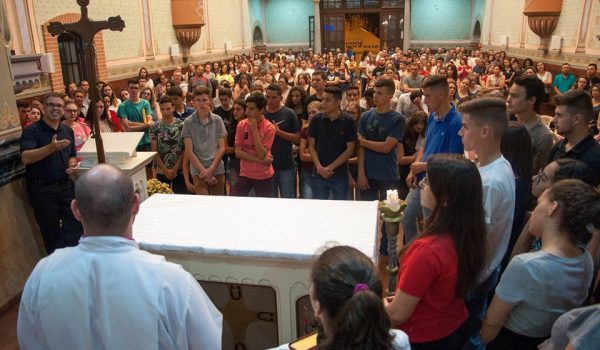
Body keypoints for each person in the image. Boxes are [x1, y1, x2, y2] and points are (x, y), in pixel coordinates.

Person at [17, 164, 222, 349]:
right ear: (135, 203)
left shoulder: (42, 275)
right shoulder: (172, 282)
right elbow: (209, 343)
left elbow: (28, 342)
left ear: (76, 210)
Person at [386, 154, 486, 349]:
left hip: (422, 336)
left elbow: (398, 315)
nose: (422, 185)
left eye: (428, 182)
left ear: (446, 199)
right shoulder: (467, 233)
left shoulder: (427, 250)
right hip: (451, 326)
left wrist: (377, 309)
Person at [481, 179, 596, 349]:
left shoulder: (526, 265)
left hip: (511, 341)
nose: (533, 211)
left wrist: (480, 341)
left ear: (553, 207)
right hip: (548, 338)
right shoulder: (586, 260)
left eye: (539, 202)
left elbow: (492, 322)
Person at [457, 98, 516, 350]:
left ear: (484, 131)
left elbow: (477, 239)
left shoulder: (489, 182)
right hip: (485, 269)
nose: (460, 132)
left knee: (467, 332)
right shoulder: (498, 164)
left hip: (475, 274)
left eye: (465, 126)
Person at [403, 75, 464, 244]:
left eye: (428, 96)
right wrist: (412, 170)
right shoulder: (432, 116)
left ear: (441, 95)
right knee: (406, 216)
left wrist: (422, 166)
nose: (424, 100)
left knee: (432, 229)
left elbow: (453, 160)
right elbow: (425, 144)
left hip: (438, 185)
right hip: (422, 179)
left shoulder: (456, 122)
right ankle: (412, 252)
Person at [20, 93, 83, 254]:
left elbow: (72, 155)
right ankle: (57, 269)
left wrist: (72, 165)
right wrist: (51, 148)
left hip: (65, 186)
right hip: (43, 191)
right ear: (44, 107)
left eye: (59, 106)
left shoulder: (67, 130)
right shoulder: (32, 131)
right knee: (51, 234)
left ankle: (69, 261)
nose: (55, 108)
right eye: (51, 105)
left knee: (77, 225)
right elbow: (26, 158)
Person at [357, 78, 405, 278]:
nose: (375, 96)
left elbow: (387, 147)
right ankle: (365, 251)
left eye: (379, 93)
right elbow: (360, 148)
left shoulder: (397, 119)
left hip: (388, 175)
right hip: (368, 173)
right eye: (374, 92)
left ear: (389, 95)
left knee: (389, 219)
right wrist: (360, 172)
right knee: (366, 216)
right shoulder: (366, 116)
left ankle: (387, 254)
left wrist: (364, 142)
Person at [308, 86, 356, 200]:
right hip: (319, 171)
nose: (323, 103)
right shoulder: (316, 119)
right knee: (320, 207)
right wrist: (319, 167)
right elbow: (311, 145)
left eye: (327, 100)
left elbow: (349, 150)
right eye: (323, 99)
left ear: (338, 102)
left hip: (339, 173)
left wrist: (330, 168)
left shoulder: (348, 120)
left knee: (340, 207)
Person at [183, 86, 227, 195]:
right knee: (203, 204)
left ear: (210, 101)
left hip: (216, 167)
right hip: (198, 170)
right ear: (193, 102)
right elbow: (189, 151)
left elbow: (222, 147)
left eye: (204, 100)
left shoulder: (218, 120)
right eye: (198, 100)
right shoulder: (188, 122)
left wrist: (211, 169)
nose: (201, 103)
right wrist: (204, 172)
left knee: (218, 202)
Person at [549, 89, 600, 184]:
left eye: (559, 115)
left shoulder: (595, 158)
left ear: (576, 119)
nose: (554, 120)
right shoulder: (559, 146)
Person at [231, 93, 276, 197]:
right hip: (245, 174)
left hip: (264, 176)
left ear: (261, 110)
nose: (247, 112)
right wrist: (262, 161)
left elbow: (261, 154)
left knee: (264, 208)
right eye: (247, 108)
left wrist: (254, 130)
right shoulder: (241, 124)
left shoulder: (269, 127)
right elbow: (238, 153)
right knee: (234, 201)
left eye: (251, 109)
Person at [507, 76, 555, 173]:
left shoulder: (543, 135)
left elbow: (537, 172)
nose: (508, 100)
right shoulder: (508, 120)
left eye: (514, 96)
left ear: (532, 100)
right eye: (509, 94)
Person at [263, 84, 301, 198]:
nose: (270, 100)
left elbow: (297, 138)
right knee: (269, 202)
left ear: (281, 98)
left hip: (286, 166)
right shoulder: (261, 114)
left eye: (274, 97)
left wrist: (279, 133)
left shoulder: (289, 113)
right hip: (266, 166)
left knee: (288, 201)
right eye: (268, 97)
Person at [151, 96, 186, 194]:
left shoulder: (181, 125)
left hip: (179, 169)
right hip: (161, 169)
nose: (165, 112)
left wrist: (175, 168)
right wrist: (165, 170)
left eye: (168, 109)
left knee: (180, 197)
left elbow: (184, 149)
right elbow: (154, 150)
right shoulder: (155, 126)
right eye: (162, 109)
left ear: (173, 108)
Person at [117, 78, 154, 153]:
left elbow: (149, 122)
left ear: (139, 88)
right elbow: (127, 128)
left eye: (136, 88)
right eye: (131, 88)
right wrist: (146, 125)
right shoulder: (122, 106)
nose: (134, 90)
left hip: (146, 141)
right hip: (133, 142)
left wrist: (131, 123)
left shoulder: (145, 103)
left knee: (149, 164)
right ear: (128, 88)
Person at [398, 111, 427, 199]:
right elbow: (399, 160)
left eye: (423, 127)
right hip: (401, 173)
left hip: (414, 171)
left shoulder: (423, 134)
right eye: (418, 127)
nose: (420, 130)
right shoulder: (402, 132)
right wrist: (416, 156)